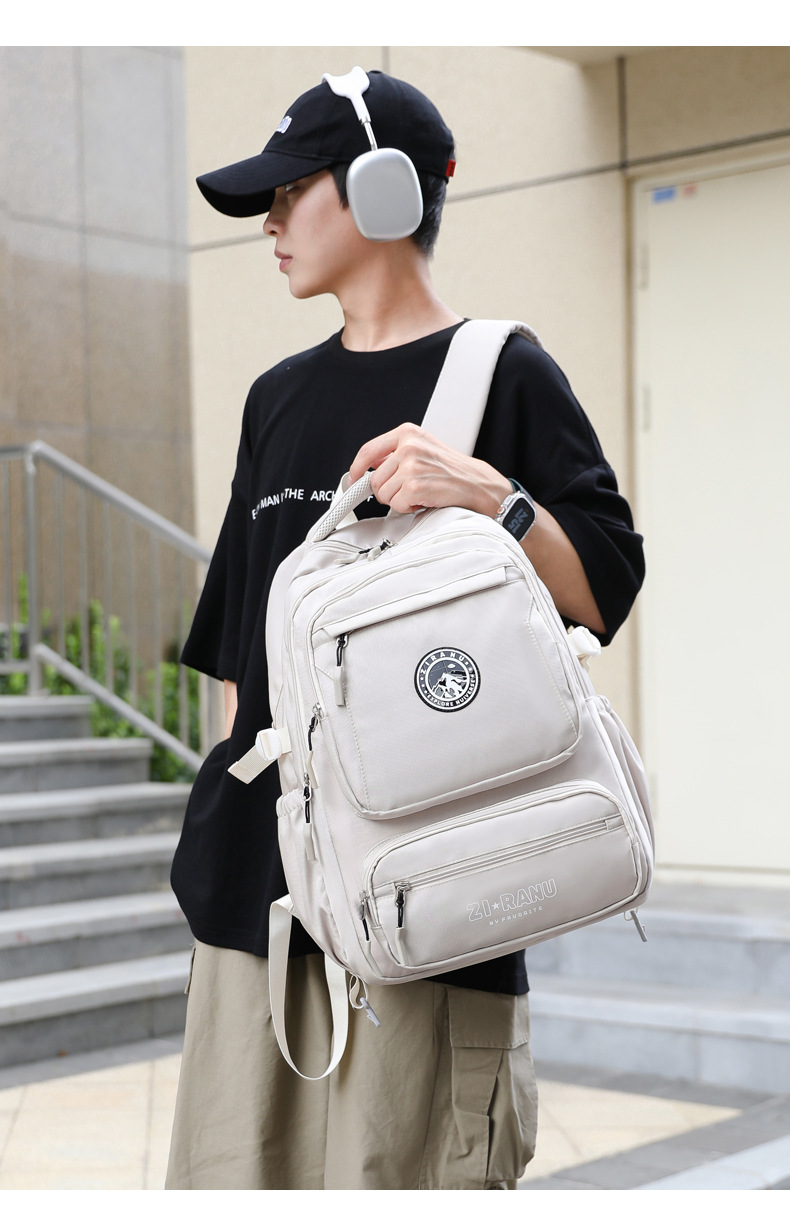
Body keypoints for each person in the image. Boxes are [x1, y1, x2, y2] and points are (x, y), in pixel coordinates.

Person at [166, 67, 645, 1191]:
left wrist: (490, 496)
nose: (271, 221)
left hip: (429, 909)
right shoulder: (275, 398)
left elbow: (603, 585)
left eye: (292, 190)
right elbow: (239, 656)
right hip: (255, 914)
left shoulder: (501, 372)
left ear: (382, 190)